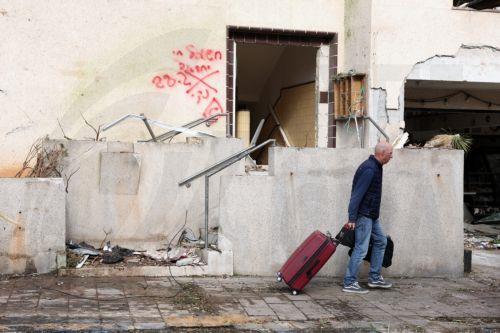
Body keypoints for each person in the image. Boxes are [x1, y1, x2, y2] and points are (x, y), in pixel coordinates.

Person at [342, 141, 394, 294]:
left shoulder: (376, 167)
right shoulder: (370, 169)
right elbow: (356, 196)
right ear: (382, 154)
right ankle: (349, 282)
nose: (392, 157)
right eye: (390, 154)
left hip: (371, 214)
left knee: (381, 241)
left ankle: (375, 277)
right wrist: (352, 218)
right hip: (364, 215)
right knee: (361, 248)